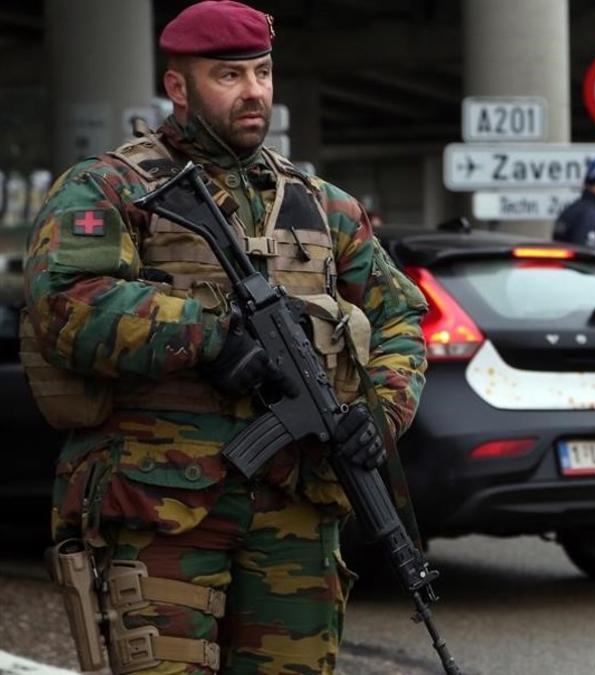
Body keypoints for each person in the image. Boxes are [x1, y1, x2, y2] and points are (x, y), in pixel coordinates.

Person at [23, 2, 428, 672]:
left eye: (263, 72)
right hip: (160, 507)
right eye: (229, 75)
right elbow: (66, 303)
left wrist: (380, 414)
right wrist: (211, 338)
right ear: (178, 87)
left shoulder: (322, 205)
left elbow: (400, 318)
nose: (254, 92)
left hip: (295, 514)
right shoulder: (109, 188)